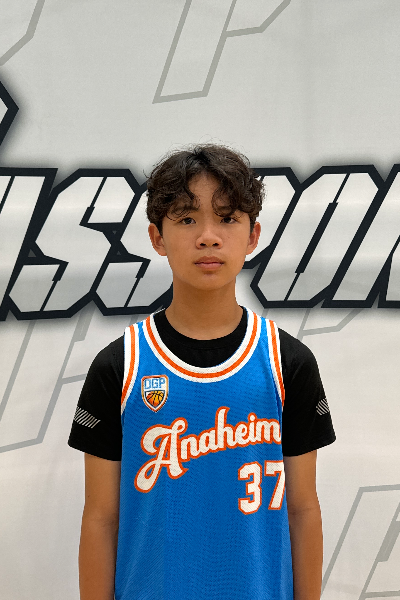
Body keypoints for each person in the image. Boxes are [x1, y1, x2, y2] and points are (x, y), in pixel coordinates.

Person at [68, 144, 336, 600]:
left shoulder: (287, 363)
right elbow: (101, 519)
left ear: (253, 236)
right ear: (157, 237)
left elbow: (302, 510)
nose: (208, 237)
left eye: (227, 218)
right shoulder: (120, 366)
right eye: (187, 219)